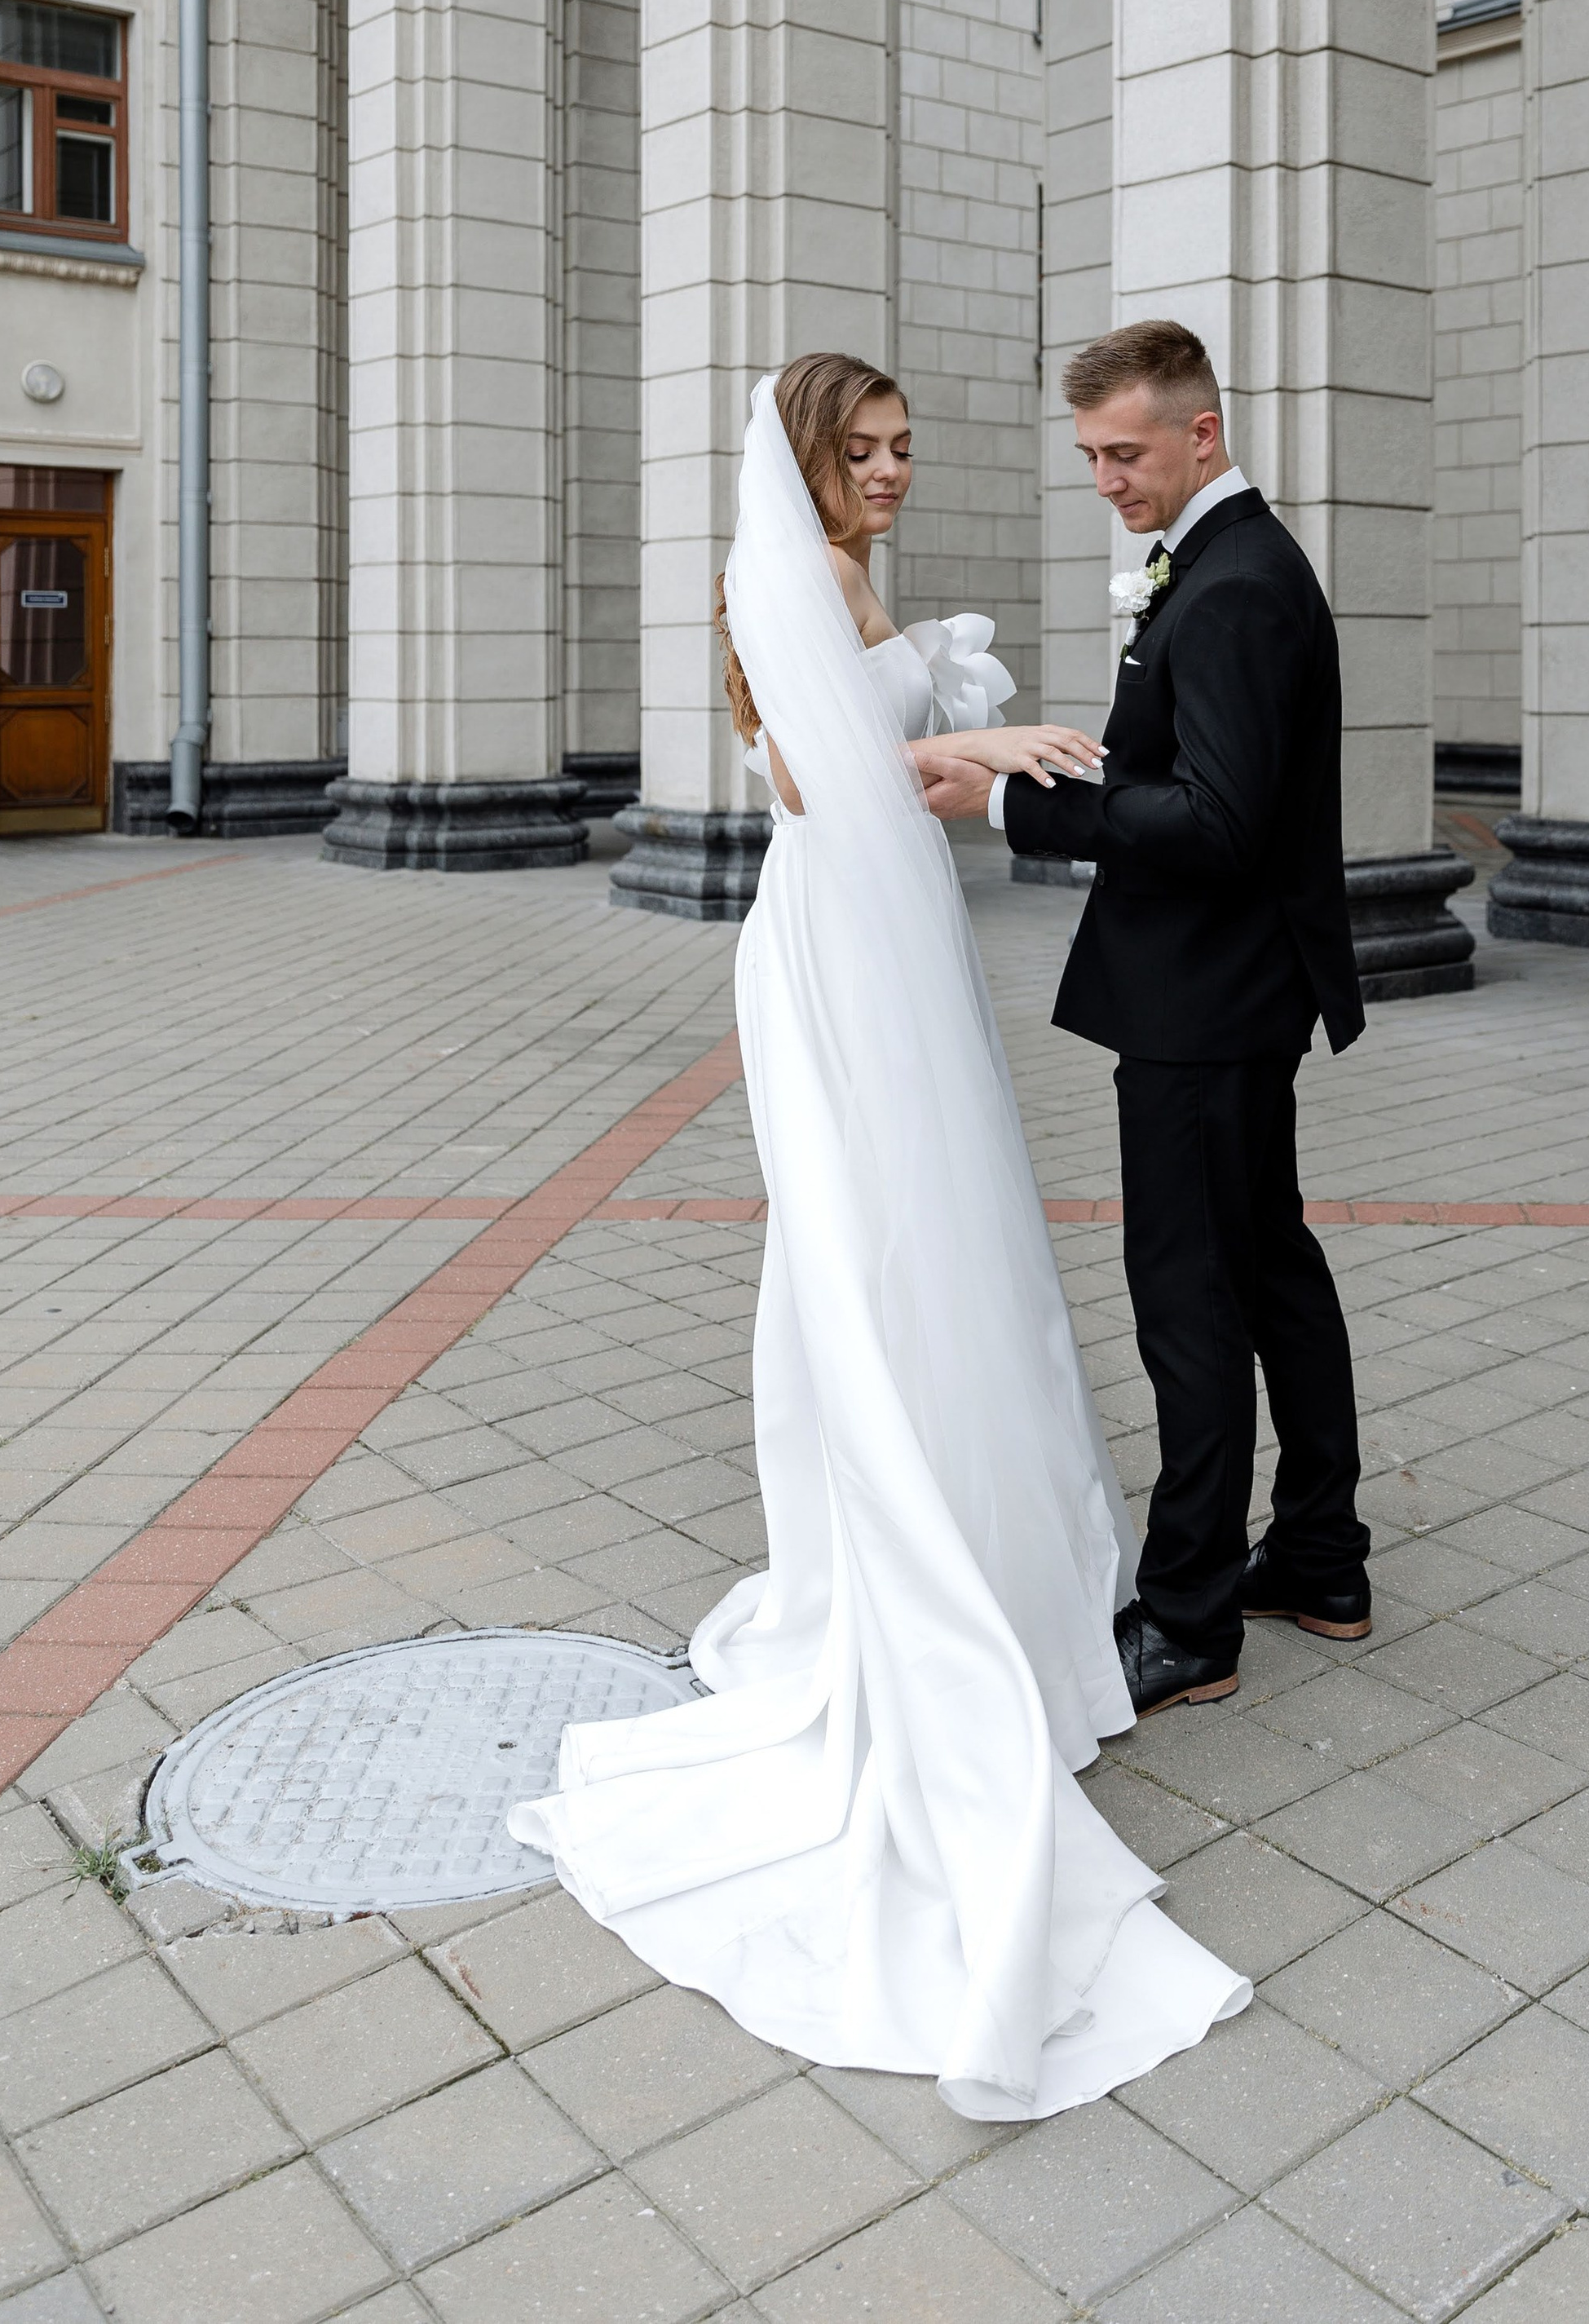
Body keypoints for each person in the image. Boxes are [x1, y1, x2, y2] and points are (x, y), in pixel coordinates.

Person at [511, 355, 1247, 2121]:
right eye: (867, 449)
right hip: (842, 923)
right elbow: (832, 779)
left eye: (907, 448)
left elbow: (855, 748)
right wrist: (979, 741)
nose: (896, 471)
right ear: (807, 460)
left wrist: (957, 739)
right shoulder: (802, 577)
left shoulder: (840, 577)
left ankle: (993, 1555)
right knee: (883, 1244)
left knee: (943, 1236)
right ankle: (925, 1575)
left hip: (884, 918)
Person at [932, 320, 1373, 1719]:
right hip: (1234, 996)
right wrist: (1087, 755)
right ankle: (1318, 1556)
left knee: (1193, 1304)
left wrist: (1015, 803)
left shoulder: (1237, 584)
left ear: (1203, 432)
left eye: (1125, 453)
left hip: (1207, 1005)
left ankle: (1190, 1620)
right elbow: (1191, 770)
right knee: (1273, 1274)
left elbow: (1223, 825)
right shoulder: (1230, 563)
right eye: (1090, 457)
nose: (1107, 479)